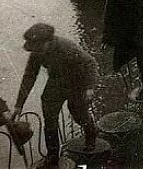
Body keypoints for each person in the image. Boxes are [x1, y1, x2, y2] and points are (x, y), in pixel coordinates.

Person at [13, 24, 98, 169]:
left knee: (78, 113)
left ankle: (91, 135)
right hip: (56, 81)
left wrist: (89, 87)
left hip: (77, 81)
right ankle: (52, 156)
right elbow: (29, 77)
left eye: (38, 47)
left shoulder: (67, 47)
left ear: (48, 42)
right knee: (49, 118)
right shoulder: (37, 52)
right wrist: (19, 105)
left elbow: (91, 63)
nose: (35, 51)